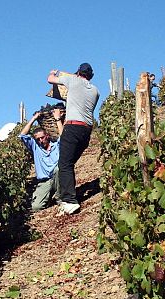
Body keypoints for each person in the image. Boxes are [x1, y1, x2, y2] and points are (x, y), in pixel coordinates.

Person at [48, 63, 100, 214]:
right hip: (86, 130)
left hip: (72, 128)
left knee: (64, 164)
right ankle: (67, 196)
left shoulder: (73, 80)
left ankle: (69, 201)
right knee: (68, 164)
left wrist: (54, 72)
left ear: (78, 72)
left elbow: (50, 79)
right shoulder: (95, 91)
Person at [19, 109, 63, 211]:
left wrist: (57, 119)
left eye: (42, 138)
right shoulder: (35, 147)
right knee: (36, 207)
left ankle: (60, 197)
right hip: (44, 182)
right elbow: (22, 135)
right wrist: (34, 118)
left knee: (58, 169)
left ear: (47, 136)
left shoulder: (56, 145)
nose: (40, 140)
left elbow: (63, 136)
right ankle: (47, 198)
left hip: (58, 178)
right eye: (37, 139)